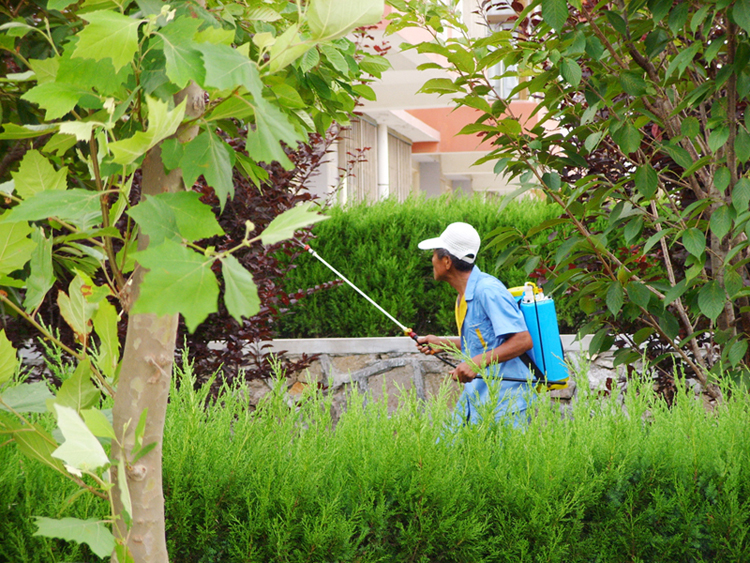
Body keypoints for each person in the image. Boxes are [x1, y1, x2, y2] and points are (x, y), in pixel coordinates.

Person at [415, 222, 535, 426]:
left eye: (434, 254)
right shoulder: (464, 296)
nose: (431, 259)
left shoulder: (488, 290)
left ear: (446, 261)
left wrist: (475, 363)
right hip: (476, 400)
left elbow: (523, 340)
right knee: (445, 452)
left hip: (506, 405)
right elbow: (484, 342)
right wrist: (442, 343)